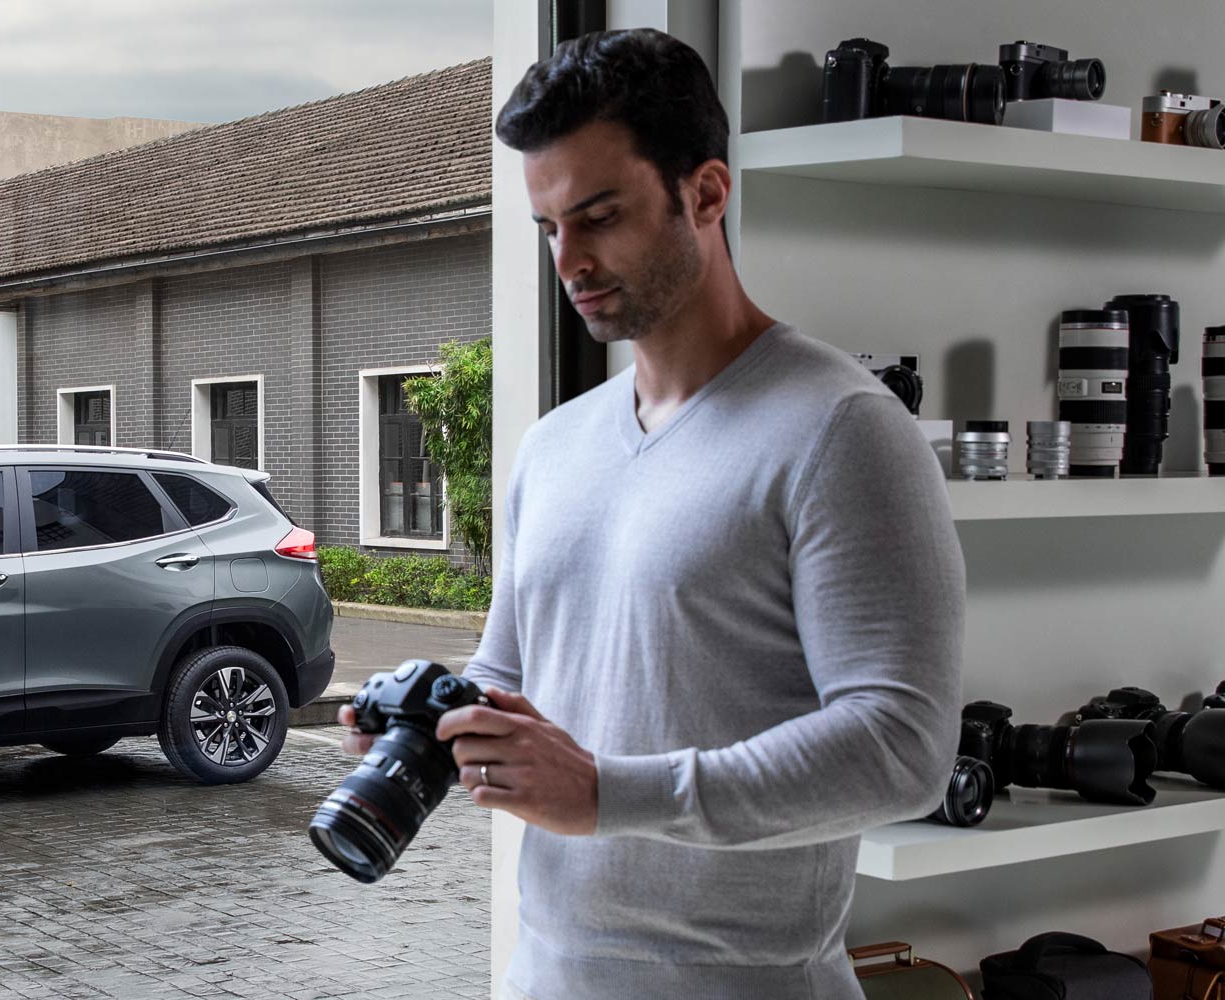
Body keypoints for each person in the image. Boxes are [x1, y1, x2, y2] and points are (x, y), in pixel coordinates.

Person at [340, 28, 965, 999]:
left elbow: (900, 748)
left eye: (599, 217)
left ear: (706, 193)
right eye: (549, 228)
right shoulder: (554, 445)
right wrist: (425, 724)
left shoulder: (840, 430)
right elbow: (509, 675)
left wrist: (607, 792)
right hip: (542, 976)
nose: (570, 260)